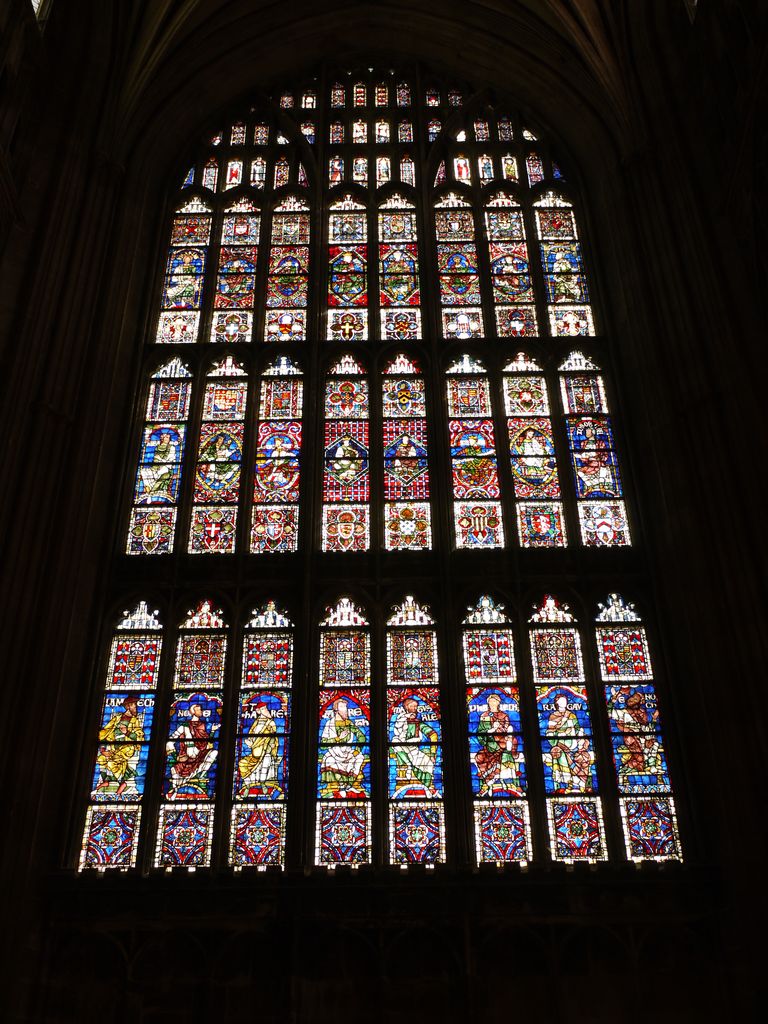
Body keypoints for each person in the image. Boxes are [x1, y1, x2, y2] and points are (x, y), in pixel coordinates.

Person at [94, 696, 146, 797]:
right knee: (101, 758)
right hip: (113, 747)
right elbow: (105, 732)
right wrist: (103, 749)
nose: (136, 708)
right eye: (134, 705)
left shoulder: (135, 721)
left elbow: (140, 737)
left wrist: (127, 732)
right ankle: (107, 780)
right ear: (128, 706)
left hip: (127, 749)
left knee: (112, 761)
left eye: (135, 705)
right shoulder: (117, 718)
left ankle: (120, 782)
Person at [166, 701, 218, 797]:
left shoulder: (202, 726)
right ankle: (175, 789)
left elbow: (207, 744)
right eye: (199, 710)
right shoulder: (184, 726)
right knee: (175, 771)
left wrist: (213, 731)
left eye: (201, 710)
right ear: (193, 712)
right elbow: (169, 742)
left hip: (200, 756)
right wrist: (176, 757)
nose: (201, 711)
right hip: (186, 759)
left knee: (214, 752)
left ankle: (200, 775)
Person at [319, 698, 367, 796]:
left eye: (345, 707)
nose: (345, 709)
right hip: (334, 753)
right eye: (342, 707)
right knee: (329, 760)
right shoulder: (329, 724)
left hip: (348, 752)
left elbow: (362, 737)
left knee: (359, 757)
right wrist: (338, 738)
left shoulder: (349, 724)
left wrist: (355, 752)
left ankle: (349, 785)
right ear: (336, 710)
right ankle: (342, 786)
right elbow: (323, 744)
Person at [474, 693, 520, 795]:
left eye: (494, 701)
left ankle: (490, 783)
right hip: (490, 745)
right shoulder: (484, 716)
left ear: (498, 703)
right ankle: (487, 782)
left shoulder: (504, 715)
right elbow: (480, 732)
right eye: (490, 701)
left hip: (502, 743)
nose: (492, 703)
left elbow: (507, 728)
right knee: (479, 757)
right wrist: (491, 730)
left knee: (504, 754)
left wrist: (499, 728)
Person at [391, 696, 439, 793]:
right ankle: (409, 766)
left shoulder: (417, 723)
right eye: (413, 706)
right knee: (395, 743)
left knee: (428, 763)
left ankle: (428, 787)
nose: (415, 709)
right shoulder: (399, 721)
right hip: (402, 746)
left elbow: (433, 734)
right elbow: (397, 732)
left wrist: (433, 753)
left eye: (416, 707)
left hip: (413, 749)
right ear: (407, 708)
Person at [545, 693, 590, 792]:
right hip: (561, 745)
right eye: (561, 701)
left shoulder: (571, 715)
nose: (564, 702)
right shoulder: (553, 716)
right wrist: (558, 741)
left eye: (565, 700)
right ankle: (566, 786)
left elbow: (578, 729)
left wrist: (582, 739)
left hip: (574, 745)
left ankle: (580, 785)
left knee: (582, 759)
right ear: (556, 703)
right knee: (562, 759)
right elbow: (549, 733)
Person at [237, 701, 280, 797]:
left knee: (266, 761)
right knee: (242, 763)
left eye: (266, 708)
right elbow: (251, 735)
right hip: (254, 752)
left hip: (266, 751)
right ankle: (248, 786)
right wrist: (249, 742)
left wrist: (271, 745)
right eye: (263, 709)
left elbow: (274, 737)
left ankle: (263, 783)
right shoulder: (256, 722)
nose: (266, 711)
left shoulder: (271, 722)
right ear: (259, 711)